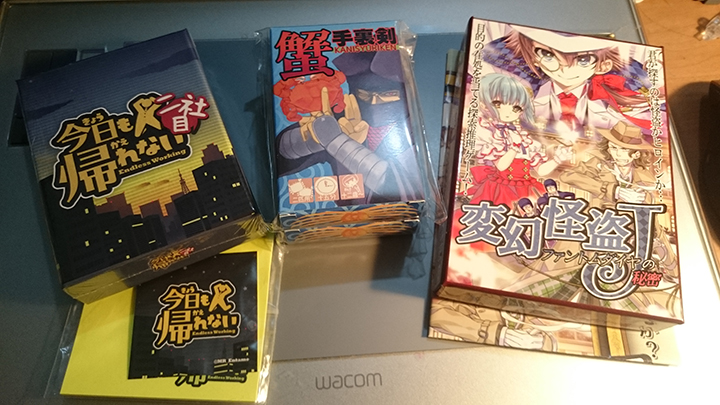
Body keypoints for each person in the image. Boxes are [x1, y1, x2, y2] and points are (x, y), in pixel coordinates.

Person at [504, 25, 652, 139]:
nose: (565, 69)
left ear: (603, 66)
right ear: (534, 59)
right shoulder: (524, 102)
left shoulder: (611, 108)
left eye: (584, 60)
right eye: (547, 54)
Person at [465, 73, 570, 209]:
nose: (508, 111)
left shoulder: (523, 137)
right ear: (484, 105)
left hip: (528, 188)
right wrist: (514, 146)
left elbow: (540, 171)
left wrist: (557, 159)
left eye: (516, 108)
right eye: (498, 104)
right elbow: (501, 166)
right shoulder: (490, 132)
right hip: (501, 188)